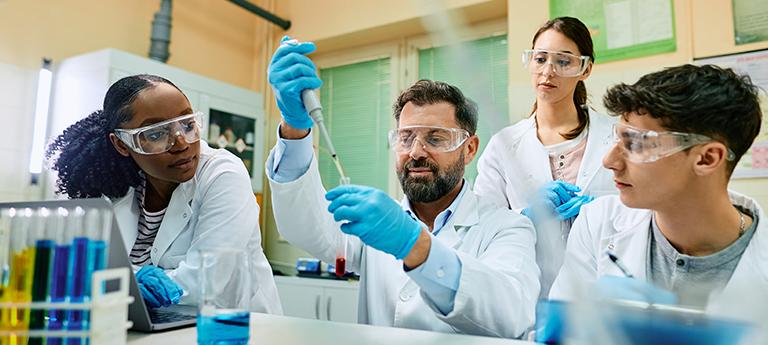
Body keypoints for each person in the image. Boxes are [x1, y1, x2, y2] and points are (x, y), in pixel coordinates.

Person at [266, 36, 540, 338]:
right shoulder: (374, 222)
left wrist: (415, 244)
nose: (416, 152)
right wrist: (294, 128)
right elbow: (305, 227)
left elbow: (512, 313)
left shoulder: (507, 227)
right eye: (406, 137)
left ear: (470, 148)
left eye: (436, 138)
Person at [46, 74, 282, 313]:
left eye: (187, 124)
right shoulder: (114, 185)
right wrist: (124, 283)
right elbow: (82, 265)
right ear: (121, 144)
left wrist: (121, 284)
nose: (181, 143)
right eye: (156, 134)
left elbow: (206, 282)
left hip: (232, 329)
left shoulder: (222, 173)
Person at [549, 64, 765, 323]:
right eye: (618, 138)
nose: (609, 161)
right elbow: (561, 333)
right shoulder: (596, 223)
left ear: (707, 158)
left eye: (637, 143)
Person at [474, 17, 617, 296]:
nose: (548, 71)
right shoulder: (503, 146)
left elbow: (647, 212)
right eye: (540, 59)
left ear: (585, 68)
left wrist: (605, 209)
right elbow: (481, 228)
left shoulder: (617, 137)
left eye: (563, 62)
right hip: (526, 290)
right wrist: (526, 216)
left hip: (603, 291)